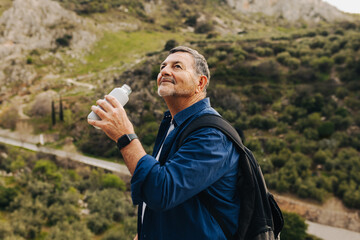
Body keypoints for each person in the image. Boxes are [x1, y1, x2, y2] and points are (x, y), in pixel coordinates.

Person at [88, 46, 241, 240]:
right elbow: (164, 191)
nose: (165, 71)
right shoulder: (174, 125)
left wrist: (125, 136)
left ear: (200, 83)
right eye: (163, 66)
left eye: (177, 66)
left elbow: (161, 192)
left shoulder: (211, 135)